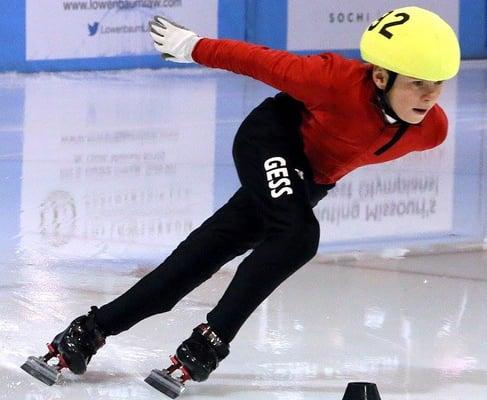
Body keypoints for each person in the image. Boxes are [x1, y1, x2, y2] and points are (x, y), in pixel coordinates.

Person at [25, 6, 460, 386]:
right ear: (380, 76)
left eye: (438, 84)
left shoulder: (432, 131)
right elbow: (261, 62)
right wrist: (193, 46)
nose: (430, 96)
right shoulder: (333, 81)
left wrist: (312, 180)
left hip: (307, 181)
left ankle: (87, 332)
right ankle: (211, 340)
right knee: (297, 236)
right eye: (419, 83)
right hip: (271, 140)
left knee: (197, 260)